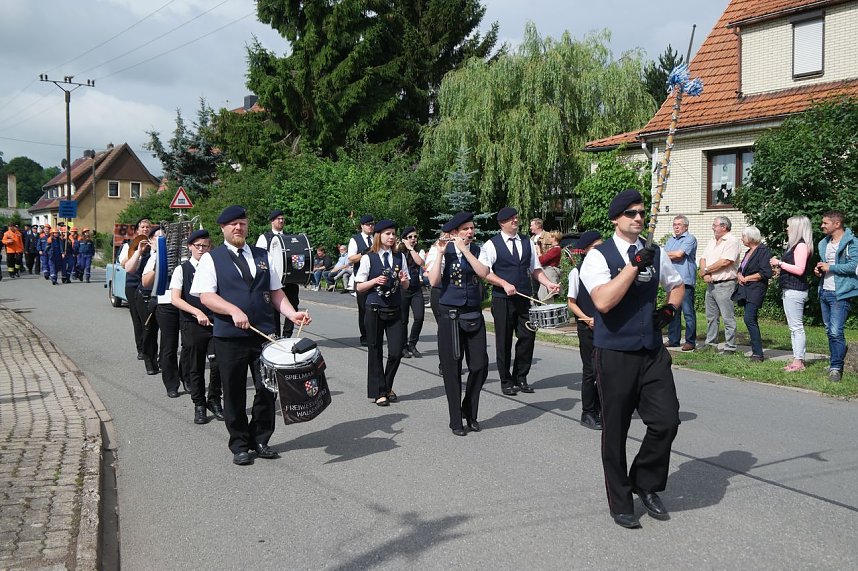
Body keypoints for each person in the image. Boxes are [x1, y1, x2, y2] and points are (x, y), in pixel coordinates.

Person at [579, 189, 684, 529]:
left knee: (667, 421)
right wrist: (632, 266)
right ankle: (620, 499)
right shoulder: (597, 257)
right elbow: (604, 302)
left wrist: (669, 309)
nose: (638, 218)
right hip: (614, 354)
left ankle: (645, 482)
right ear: (615, 219)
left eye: (641, 213)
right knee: (616, 431)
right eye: (631, 214)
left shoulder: (655, 254)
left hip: (651, 351)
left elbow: (678, 285)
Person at [192, 205, 311, 466]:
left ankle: (261, 438)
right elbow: (206, 296)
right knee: (234, 391)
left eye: (242, 223)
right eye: (233, 224)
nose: (238, 228)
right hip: (229, 336)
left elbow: (276, 292)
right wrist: (232, 310)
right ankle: (239, 444)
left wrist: (292, 314)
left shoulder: (262, 255)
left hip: (264, 334)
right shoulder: (212, 259)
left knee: (267, 388)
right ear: (223, 228)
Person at [479, 207, 560, 395]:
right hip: (502, 300)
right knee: (504, 340)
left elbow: (536, 269)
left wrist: (548, 284)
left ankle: (521, 377)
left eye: (516, 218)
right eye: (511, 219)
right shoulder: (492, 244)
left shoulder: (527, 242)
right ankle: (506, 380)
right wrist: (503, 283)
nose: (515, 221)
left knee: (528, 336)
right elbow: (485, 273)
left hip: (524, 298)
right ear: (502, 223)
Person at [428, 212, 489, 436]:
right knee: (452, 368)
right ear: (454, 233)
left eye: (472, 228)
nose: (470, 232)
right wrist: (441, 254)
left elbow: (483, 272)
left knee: (480, 365)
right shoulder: (440, 250)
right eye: (465, 229)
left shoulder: (479, 250)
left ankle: (470, 410)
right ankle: (456, 420)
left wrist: (465, 250)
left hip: (473, 312)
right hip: (450, 314)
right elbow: (434, 281)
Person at [171, 229, 223, 424]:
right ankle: (199, 404)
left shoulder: (215, 267)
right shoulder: (182, 270)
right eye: (198, 246)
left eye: (206, 246)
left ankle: (215, 400)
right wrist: (197, 312)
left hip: (215, 322)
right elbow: (175, 299)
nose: (202, 249)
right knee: (196, 365)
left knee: (218, 363)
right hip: (192, 323)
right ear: (190, 247)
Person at [355, 219, 409, 406]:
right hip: (374, 308)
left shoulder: (399, 257)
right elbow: (359, 286)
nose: (392, 237)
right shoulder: (368, 258)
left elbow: (406, 283)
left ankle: (386, 385)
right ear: (379, 236)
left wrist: (403, 280)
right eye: (388, 233)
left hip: (394, 309)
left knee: (396, 352)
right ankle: (380, 392)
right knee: (375, 350)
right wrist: (374, 281)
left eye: (394, 233)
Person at [813, 210, 858, 383]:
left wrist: (829, 268)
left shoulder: (852, 243)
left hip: (841, 293)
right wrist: (819, 270)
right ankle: (835, 360)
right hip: (824, 291)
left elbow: (853, 266)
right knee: (829, 331)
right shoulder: (824, 243)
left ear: (837, 224)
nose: (822, 226)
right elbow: (825, 266)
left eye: (825, 223)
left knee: (835, 331)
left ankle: (836, 368)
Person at [142, 226, 187, 397]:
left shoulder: (185, 256)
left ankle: (187, 377)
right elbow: (145, 282)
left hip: (185, 303)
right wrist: (159, 265)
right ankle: (171, 383)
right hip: (165, 303)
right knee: (169, 345)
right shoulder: (155, 258)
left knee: (189, 345)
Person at [566, 230, 603, 430]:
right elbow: (571, 303)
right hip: (587, 326)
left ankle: (602, 407)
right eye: (596, 248)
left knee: (605, 371)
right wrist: (586, 318)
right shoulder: (576, 272)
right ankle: (587, 412)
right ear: (586, 251)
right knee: (590, 370)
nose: (600, 251)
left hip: (606, 327)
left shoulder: (606, 271)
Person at [769, 216, 814, 371]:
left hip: (795, 290)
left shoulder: (801, 246)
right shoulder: (795, 245)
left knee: (796, 327)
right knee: (794, 327)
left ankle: (799, 361)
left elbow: (799, 269)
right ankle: (797, 359)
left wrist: (779, 263)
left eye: (789, 226)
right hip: (791, 289)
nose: (787, 229)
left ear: (797, 228)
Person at [698, 216, 741, 353]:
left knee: (728, 317)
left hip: (725, 284)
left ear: (724, 227)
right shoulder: (712, 241)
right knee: (711, 317)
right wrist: (705, 273)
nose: (712, 227)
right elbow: (703, 258)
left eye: (715, 225)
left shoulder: (732, 241)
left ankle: (730, 347)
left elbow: (726, 262)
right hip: (711, 284)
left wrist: (706, 270)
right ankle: (711, 344)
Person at [256, 210, 301, 338]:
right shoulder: (264, 238)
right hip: (272, 279)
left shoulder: (289, 237)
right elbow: (260, 259)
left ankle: (287, 336)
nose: (281, 221)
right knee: (273, 309)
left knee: (292, 306)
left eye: (282, 219)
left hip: (289, 280)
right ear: (272, 221)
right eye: (278, 219)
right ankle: (275, 336)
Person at [733, 227, 772, 362]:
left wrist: (747, 278)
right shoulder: (749, 251)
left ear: (751, 237)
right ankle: (756, 351)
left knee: (749, 318)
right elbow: (742, 268)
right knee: (751, 319)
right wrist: (739, 274)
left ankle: (758, 353)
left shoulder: (763, 251)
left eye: (743, 236)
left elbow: (765, 273)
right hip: (746, 289)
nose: (742, 239)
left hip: (756, 289)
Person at [119, 219, 153, 359]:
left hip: (148, 286)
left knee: (150, 320)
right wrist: (136, 252)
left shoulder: (154, 245)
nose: (145, 229)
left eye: (148, 227)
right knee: (138, 319)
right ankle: (141, 348)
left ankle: (149, 347)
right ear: (138, 230)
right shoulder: (128, 246)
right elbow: (123, 264)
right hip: (133, 286)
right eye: (143, 227)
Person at [664, 215, 698, 351]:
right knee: (673, 312)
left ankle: (690, 341)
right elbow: (665, 257)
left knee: (688, 312)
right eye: (674, 224)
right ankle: (674, 339)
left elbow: (679, 255)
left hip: (685, 280)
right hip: (672, 281)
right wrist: (669, 254)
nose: (676, 227)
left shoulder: (690, 239)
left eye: (679, 224)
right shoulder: (670, 240)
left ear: (686, 226)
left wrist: (668, 254)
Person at [135, 226, 161, 376]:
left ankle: (162, 361)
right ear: (151, 240)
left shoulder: (169, 254)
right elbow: (145, 281)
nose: (161, 239)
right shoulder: (146, 255)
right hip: (145, 296)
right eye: (157, 237)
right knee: (149, 330)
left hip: (162, 296)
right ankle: (149, 360)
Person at [398, 226, 426, 358]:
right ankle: (403, 346)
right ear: (404, 239)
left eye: (415, 236)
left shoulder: (418, 250)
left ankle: (412, 344)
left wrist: (411, 249)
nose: (413, 239)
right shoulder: (399, 251)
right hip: (403, 289)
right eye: (410, 237)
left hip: (415, 288)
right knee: (403, 320)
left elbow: (420, 262)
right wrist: (404, 247)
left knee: (419, 317)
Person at [347, 214, 375, 346]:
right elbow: (351, 259)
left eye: (372, 224)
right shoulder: (355, 240)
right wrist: (363, 253)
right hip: (361, 279)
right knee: (363, 308)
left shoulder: (376, 238)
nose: (370, 227)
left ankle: (375, 334)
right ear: (362, 226)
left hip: (375, 277)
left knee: (375, 307)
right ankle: (364, 335)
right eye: (368, 224)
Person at [537, 230, 562, 301]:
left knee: (545, 296)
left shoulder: (556, 250)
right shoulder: (554, 249)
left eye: (550, 237)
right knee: (544, 295)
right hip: (547, 272)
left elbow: (541, 260)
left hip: (549, 273)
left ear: (554, 238)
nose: (548, 238)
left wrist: (538, 250)